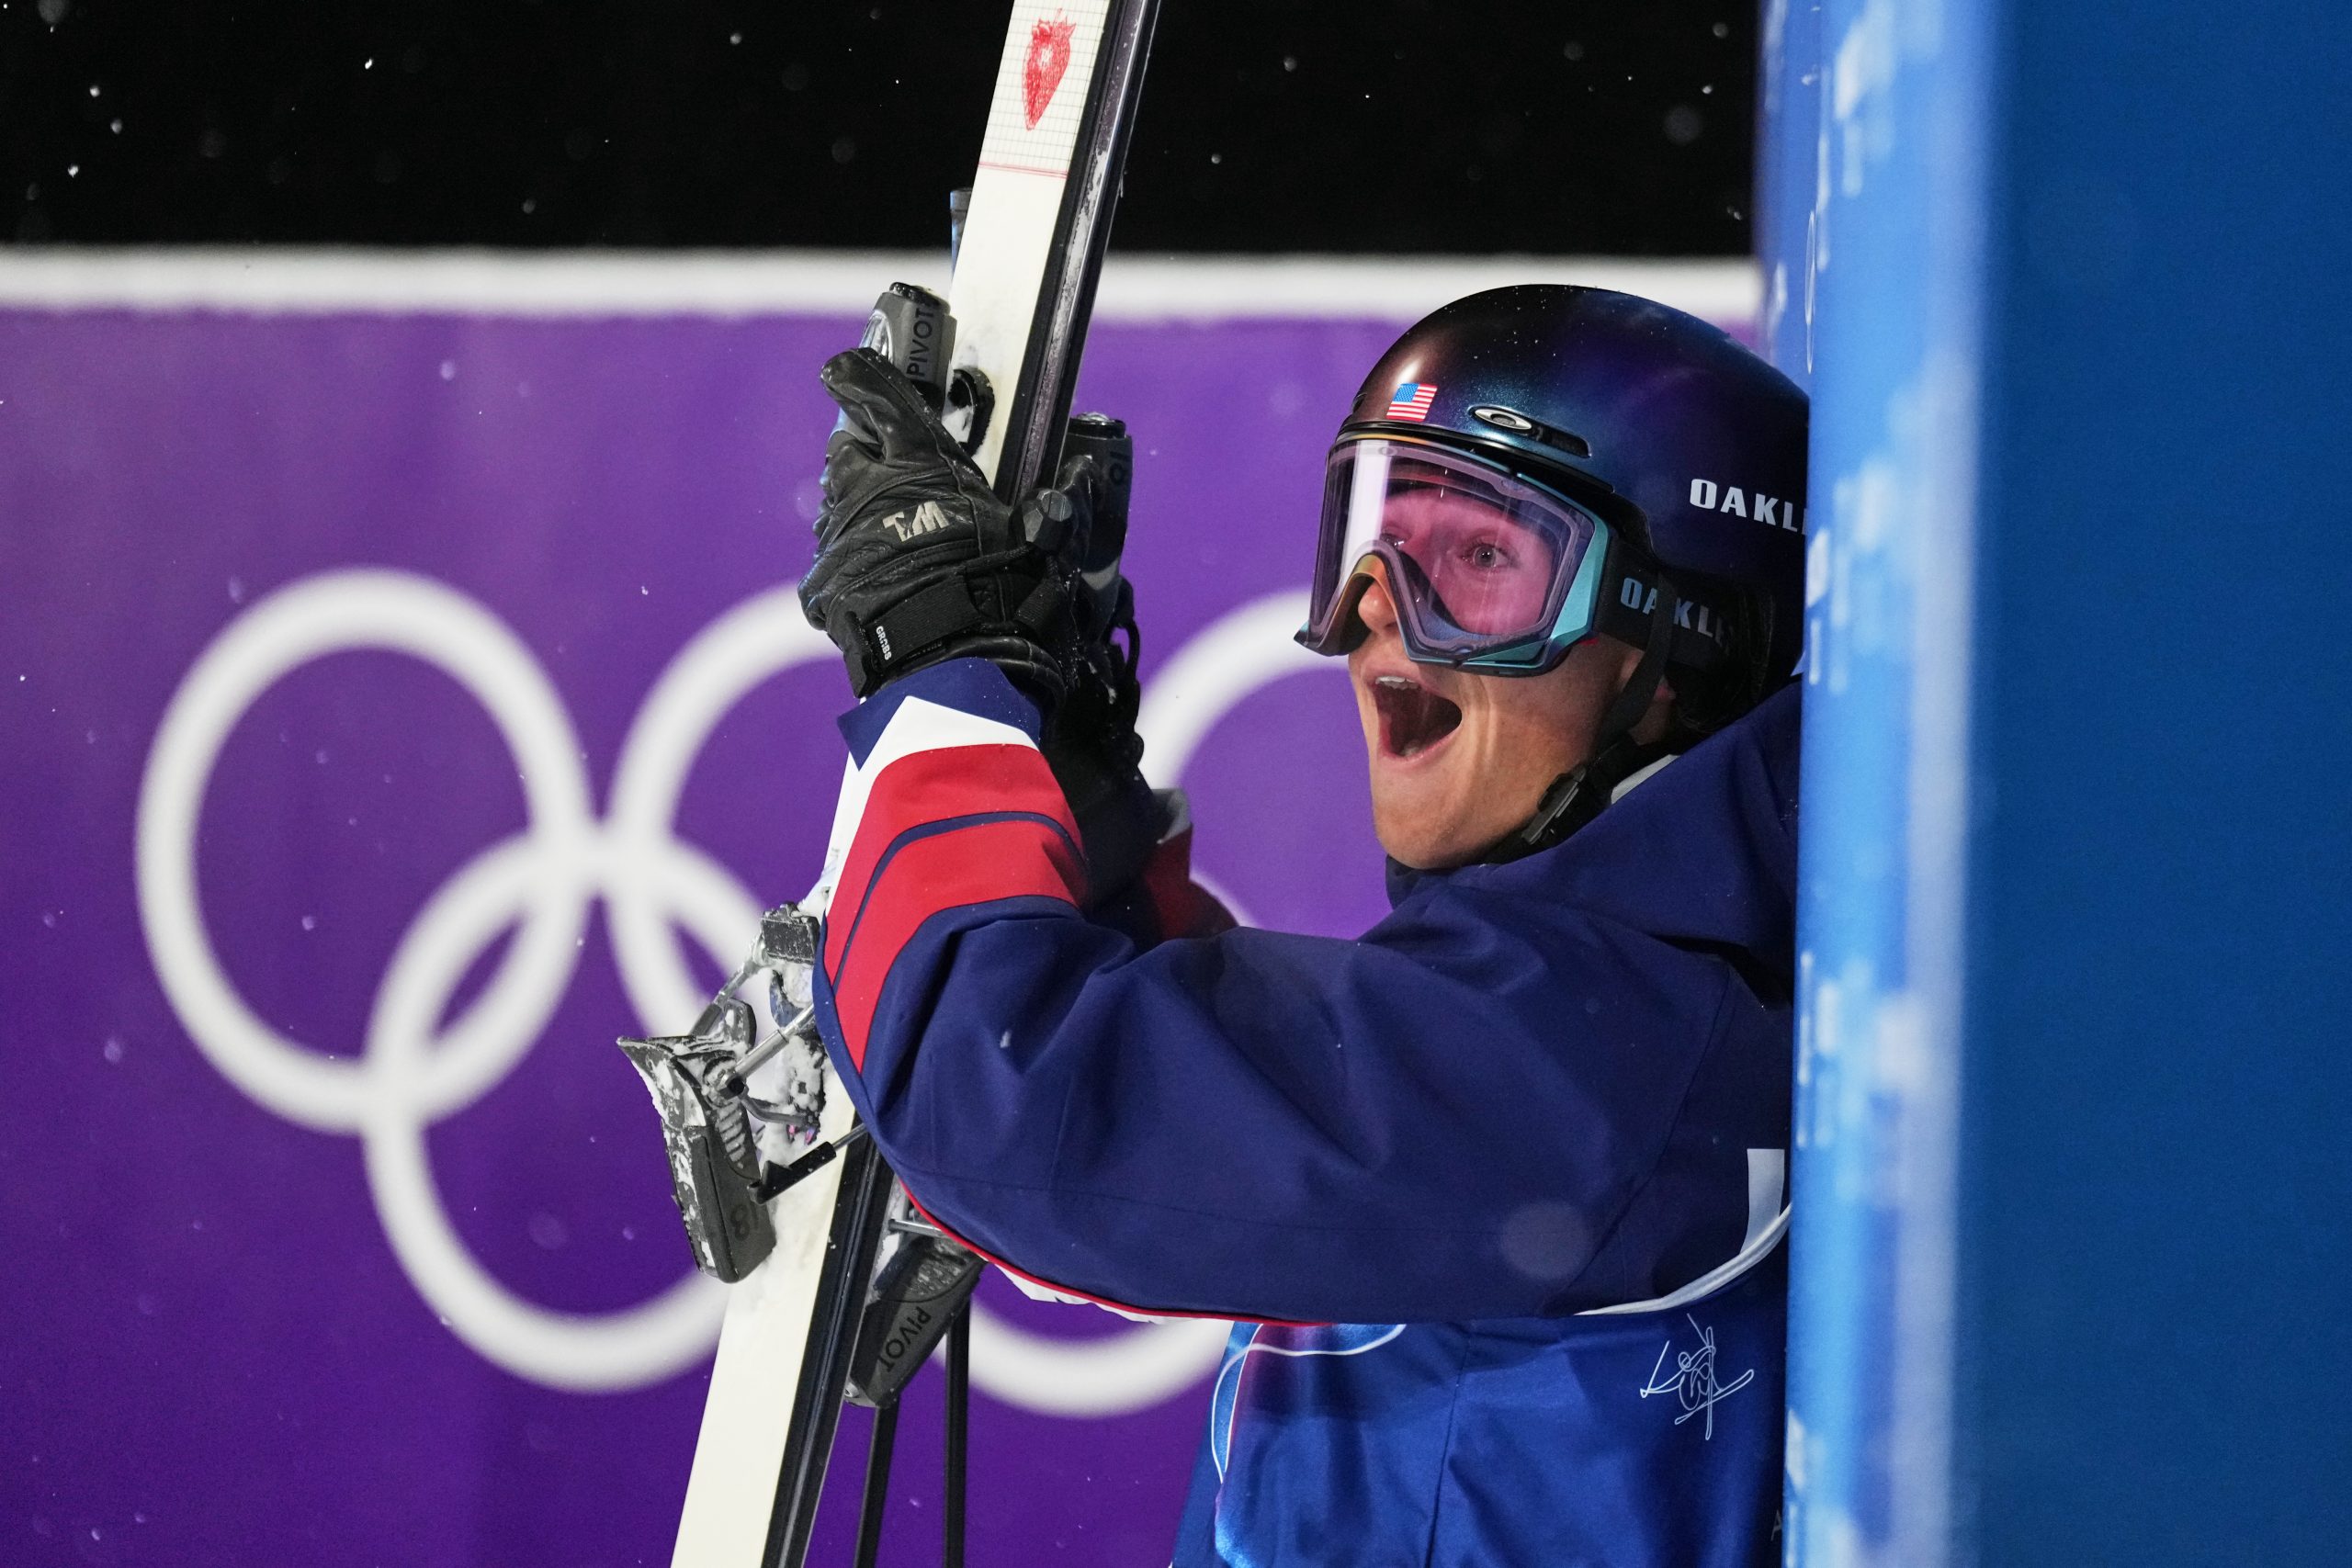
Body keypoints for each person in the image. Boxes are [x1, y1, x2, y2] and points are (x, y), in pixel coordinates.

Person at [796, 285, 1808, 1568]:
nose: (1382, 606)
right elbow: (1205, 1125)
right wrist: (1066, 774)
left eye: (1483, 563)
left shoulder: (1611, 1058)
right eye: (1375, 540)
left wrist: (939, 678)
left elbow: (1022, 1106)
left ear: (1680, 653)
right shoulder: (1601, 1010)